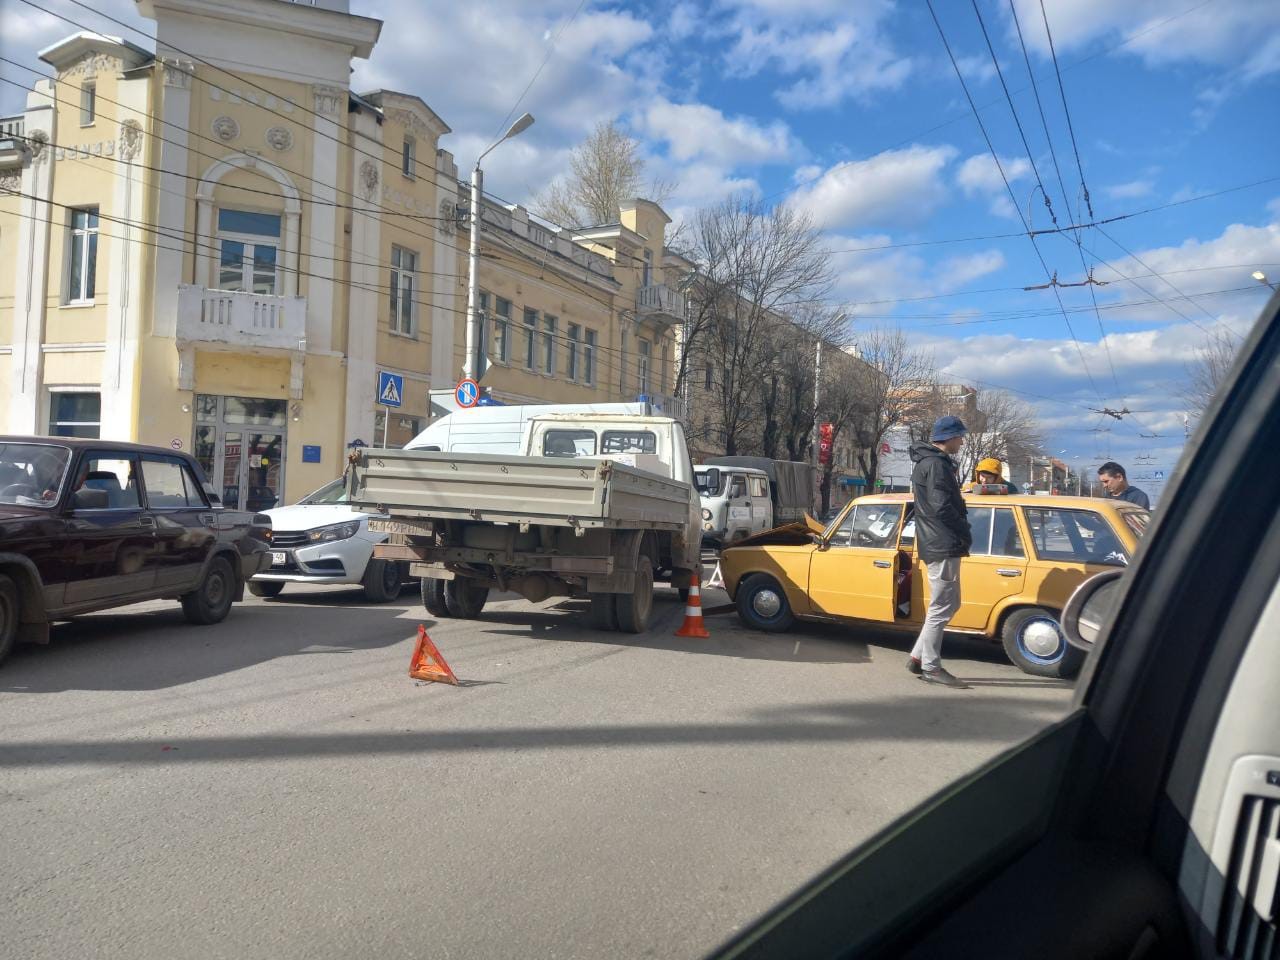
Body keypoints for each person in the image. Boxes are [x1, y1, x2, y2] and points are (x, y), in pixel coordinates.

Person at [907, 416, 973, 689]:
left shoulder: (932, 462)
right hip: (942, 541)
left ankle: (918, 656)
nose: (962, 441)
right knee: (941, 606)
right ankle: (931, 667)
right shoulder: (936, 464)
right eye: (959, 437)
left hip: (939, 541)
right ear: (948, 437)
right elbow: (941, 507)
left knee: (948, 603)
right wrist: (964, 528)